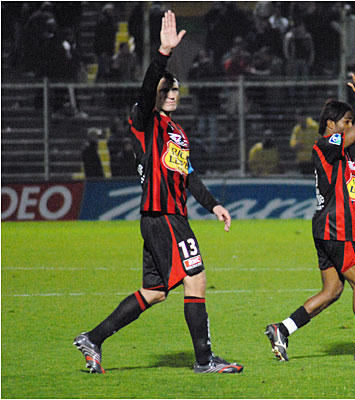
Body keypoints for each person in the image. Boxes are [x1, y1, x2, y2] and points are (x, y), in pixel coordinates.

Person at [74, 11, 243, 374]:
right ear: (155, 95)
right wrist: (163, 54)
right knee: (195, 278)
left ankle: (93, 338)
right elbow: (149, 83)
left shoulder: (177, 131)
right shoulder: (144, 123)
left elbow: (188, 175)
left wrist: (214, 206)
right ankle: (204, 360)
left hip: (166, 218)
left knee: (155, 292)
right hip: (163, 217)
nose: (169, 93)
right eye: (163, 89)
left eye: (174, 89)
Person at [264, 62, 355, 362]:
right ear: (332, 124)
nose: (351, 126)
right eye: (345, 122)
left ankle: (281, 329)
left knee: (333, 290)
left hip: (328, 225)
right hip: (338, 226)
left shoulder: (338, 149)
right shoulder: (325, 146)